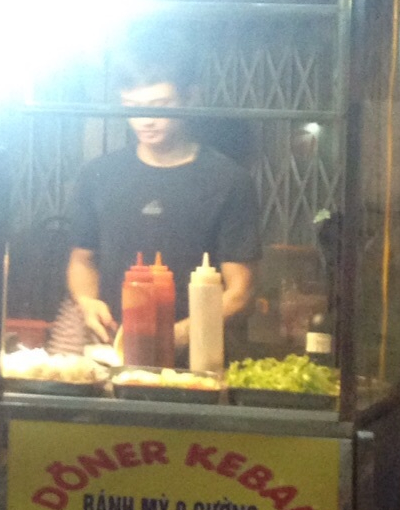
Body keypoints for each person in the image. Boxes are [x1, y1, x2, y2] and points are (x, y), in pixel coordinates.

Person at [65, 30, 258, 356]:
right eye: (133, 106)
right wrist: (86, 301)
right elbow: (83, 261)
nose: (146, 120)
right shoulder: (98, 175)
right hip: (113, 355)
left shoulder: (228, 180)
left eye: (160, 105)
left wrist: (177, 334)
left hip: (199, 359)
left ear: (190, 97)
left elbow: (241, 292)